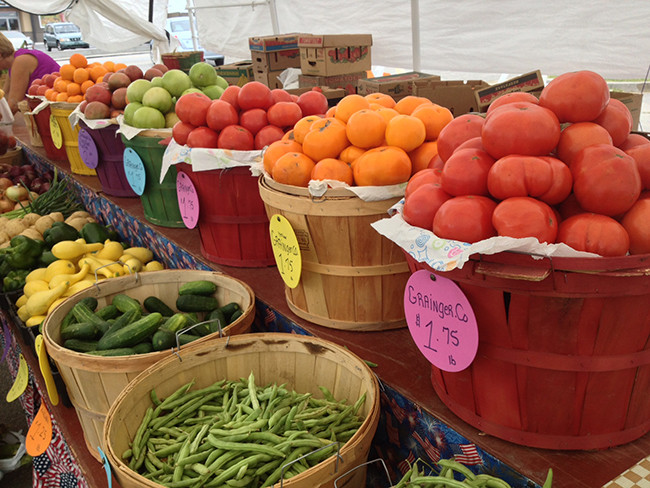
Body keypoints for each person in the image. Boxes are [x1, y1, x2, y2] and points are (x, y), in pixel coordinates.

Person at [0, 32, 60, 113]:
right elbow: (4, 97)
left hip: (57, 109)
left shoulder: (21, 61)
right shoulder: (14, 62)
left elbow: (13, 104)